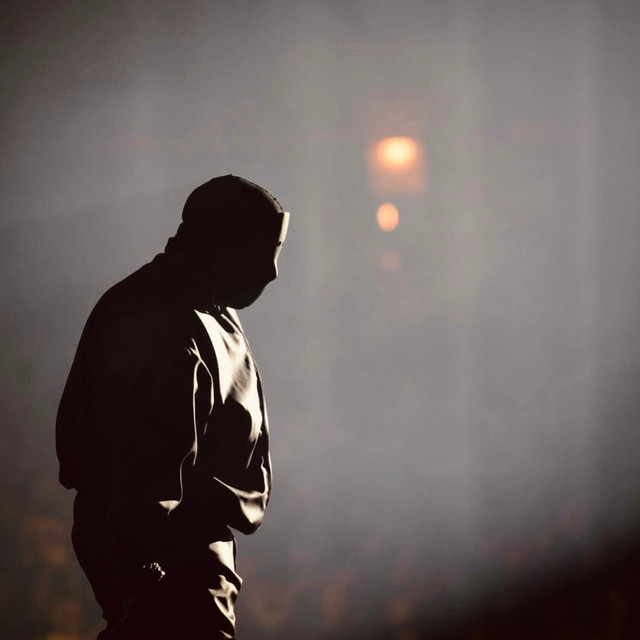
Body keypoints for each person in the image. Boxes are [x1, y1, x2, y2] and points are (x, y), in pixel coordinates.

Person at [56, 175, 289, 639]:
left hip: (183, 561)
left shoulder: (209, 309)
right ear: (222, 244)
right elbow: (139, 471)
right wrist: (139, 577)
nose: (271, 272)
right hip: (167, 566)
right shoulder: (158, 319)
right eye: (261, 251)